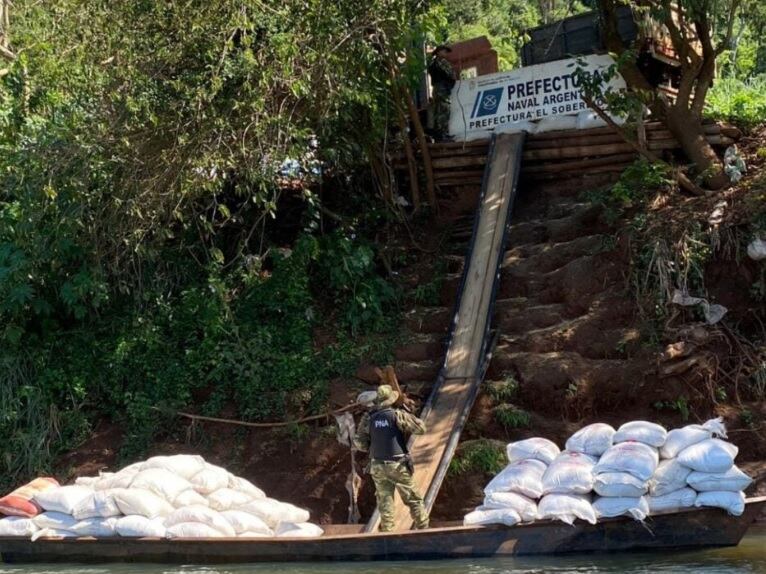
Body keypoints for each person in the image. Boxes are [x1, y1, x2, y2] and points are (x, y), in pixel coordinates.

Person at [353, 384, 429, 531]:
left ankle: (388, 532)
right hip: (398, 465)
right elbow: (421, 429)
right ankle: (423, 528)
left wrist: (373, 443)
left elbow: (360, 444)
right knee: (413, 499)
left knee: (384, 501)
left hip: (378, 465)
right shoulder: (397, 415)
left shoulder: (369, 419)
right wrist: (409, 413)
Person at [427, 45, 456, 141]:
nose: (446, 54)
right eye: (444, 51)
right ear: (438, 52)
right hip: (442, 88)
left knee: (438, 111)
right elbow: (451, 74)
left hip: (437, 89)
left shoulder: (433, 63)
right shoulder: (442, 62)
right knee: (444, 110)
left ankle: (439, 135)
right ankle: (443, 135)